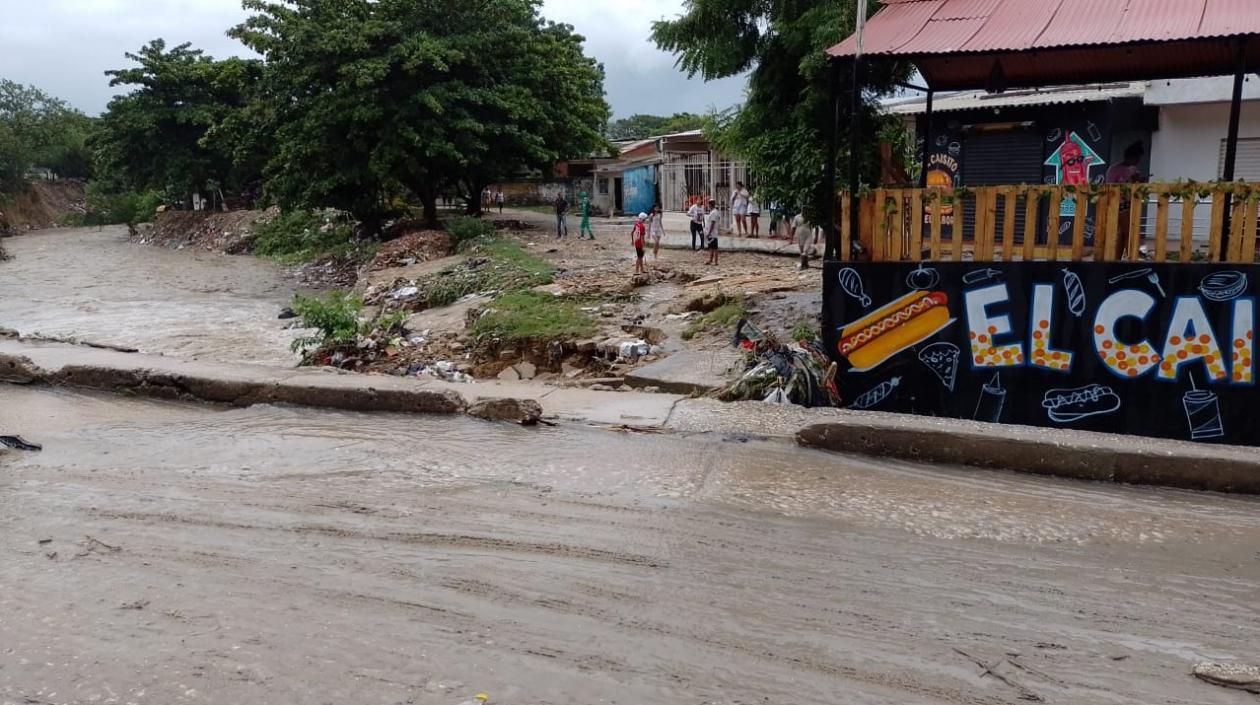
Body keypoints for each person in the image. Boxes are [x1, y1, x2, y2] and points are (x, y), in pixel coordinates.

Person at [1107, 141, 1148, 259]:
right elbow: (1110, 187)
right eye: (1137, 158)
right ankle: (1131, 258)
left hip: (1129, 204)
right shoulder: (1114, 169)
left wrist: (1140, 181)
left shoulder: (1135, 171)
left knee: (1123, 233)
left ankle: (1117, 258)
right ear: (1131, 157)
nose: (1138, 161)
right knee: (1129, 232)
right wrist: (1128, 180)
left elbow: (1136, 189)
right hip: (1119, 204)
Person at [704, 198, 722, 266]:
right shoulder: (713, 212)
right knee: (711, 247)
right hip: (712, 232)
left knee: (714, 247)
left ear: (710, 205)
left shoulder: (714, 213)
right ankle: (711, 260)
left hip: (713, 233)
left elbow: (712, 223)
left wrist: (709, 233)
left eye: (708, 204)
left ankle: (715, 261)